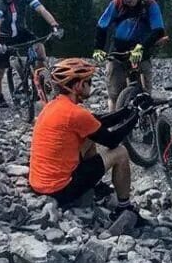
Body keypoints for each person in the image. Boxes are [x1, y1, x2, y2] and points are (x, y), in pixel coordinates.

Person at [28, 58, 148, 219]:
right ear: (78, 86)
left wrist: (129, 109)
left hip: (40, 184)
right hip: (60, 190)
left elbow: (97, 121)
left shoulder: (55, 105)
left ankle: (95, 186)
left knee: (89, 135)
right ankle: (124, 208)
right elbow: (112, 140)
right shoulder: (75, 113)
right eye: (88, 82)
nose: (91, 85)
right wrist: (137, 114)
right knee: (120, 152)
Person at [0, 0, 63, 122]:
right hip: (4, 36)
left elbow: (41, 10)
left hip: (21, 32)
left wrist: (55, 25)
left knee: (39, 48)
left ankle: (40, 79)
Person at [92, 0, 166, 111]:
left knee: (145, 95)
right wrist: (98, 48)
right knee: (114, 94)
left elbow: (158, 30)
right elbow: (102, 26)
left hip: (142, 51)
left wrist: (141, 48)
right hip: (118, 51)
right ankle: (115, 125)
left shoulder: (149, 4)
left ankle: (146, 124)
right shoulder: (117, 4)